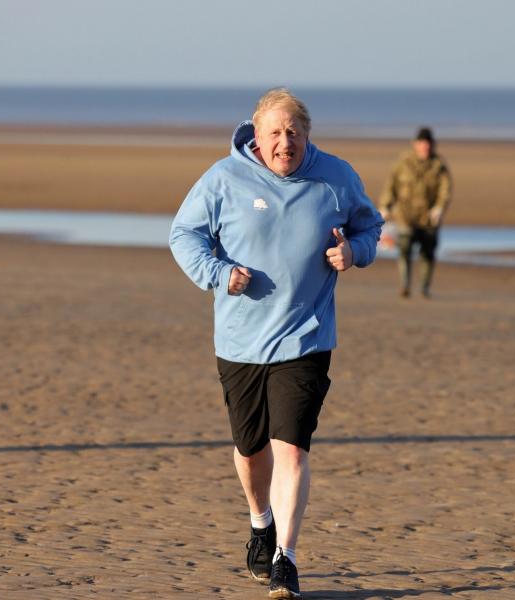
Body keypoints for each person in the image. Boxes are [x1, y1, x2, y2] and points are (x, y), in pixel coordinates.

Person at [169, 88, 383, 599]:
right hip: (241, 339)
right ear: (257, 139)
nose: (285, 142)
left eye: (293, 132)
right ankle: (259, 521)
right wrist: (218, 273)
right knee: (250, 449)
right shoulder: (224, 178)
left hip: (306, 335)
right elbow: (185, 235)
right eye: (275, 134)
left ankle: (286, 556)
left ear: (307, 134)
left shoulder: (336, 177)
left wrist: (353, 251)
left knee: (292, 448)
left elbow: (370, 226)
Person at [378, 127, 452, 298]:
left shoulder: (438, 165)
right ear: (415, 144)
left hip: (429, 219)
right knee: (404, 249)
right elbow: (391, 185)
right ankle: (405, 286)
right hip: (405, 216)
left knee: (428, 253)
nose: (425, 148)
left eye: (428, 145)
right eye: (422, 144)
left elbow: (445, 190)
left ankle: (425, 288)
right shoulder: (403, 163)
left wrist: (439, 208)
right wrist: (385, 206)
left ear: (433, 145)